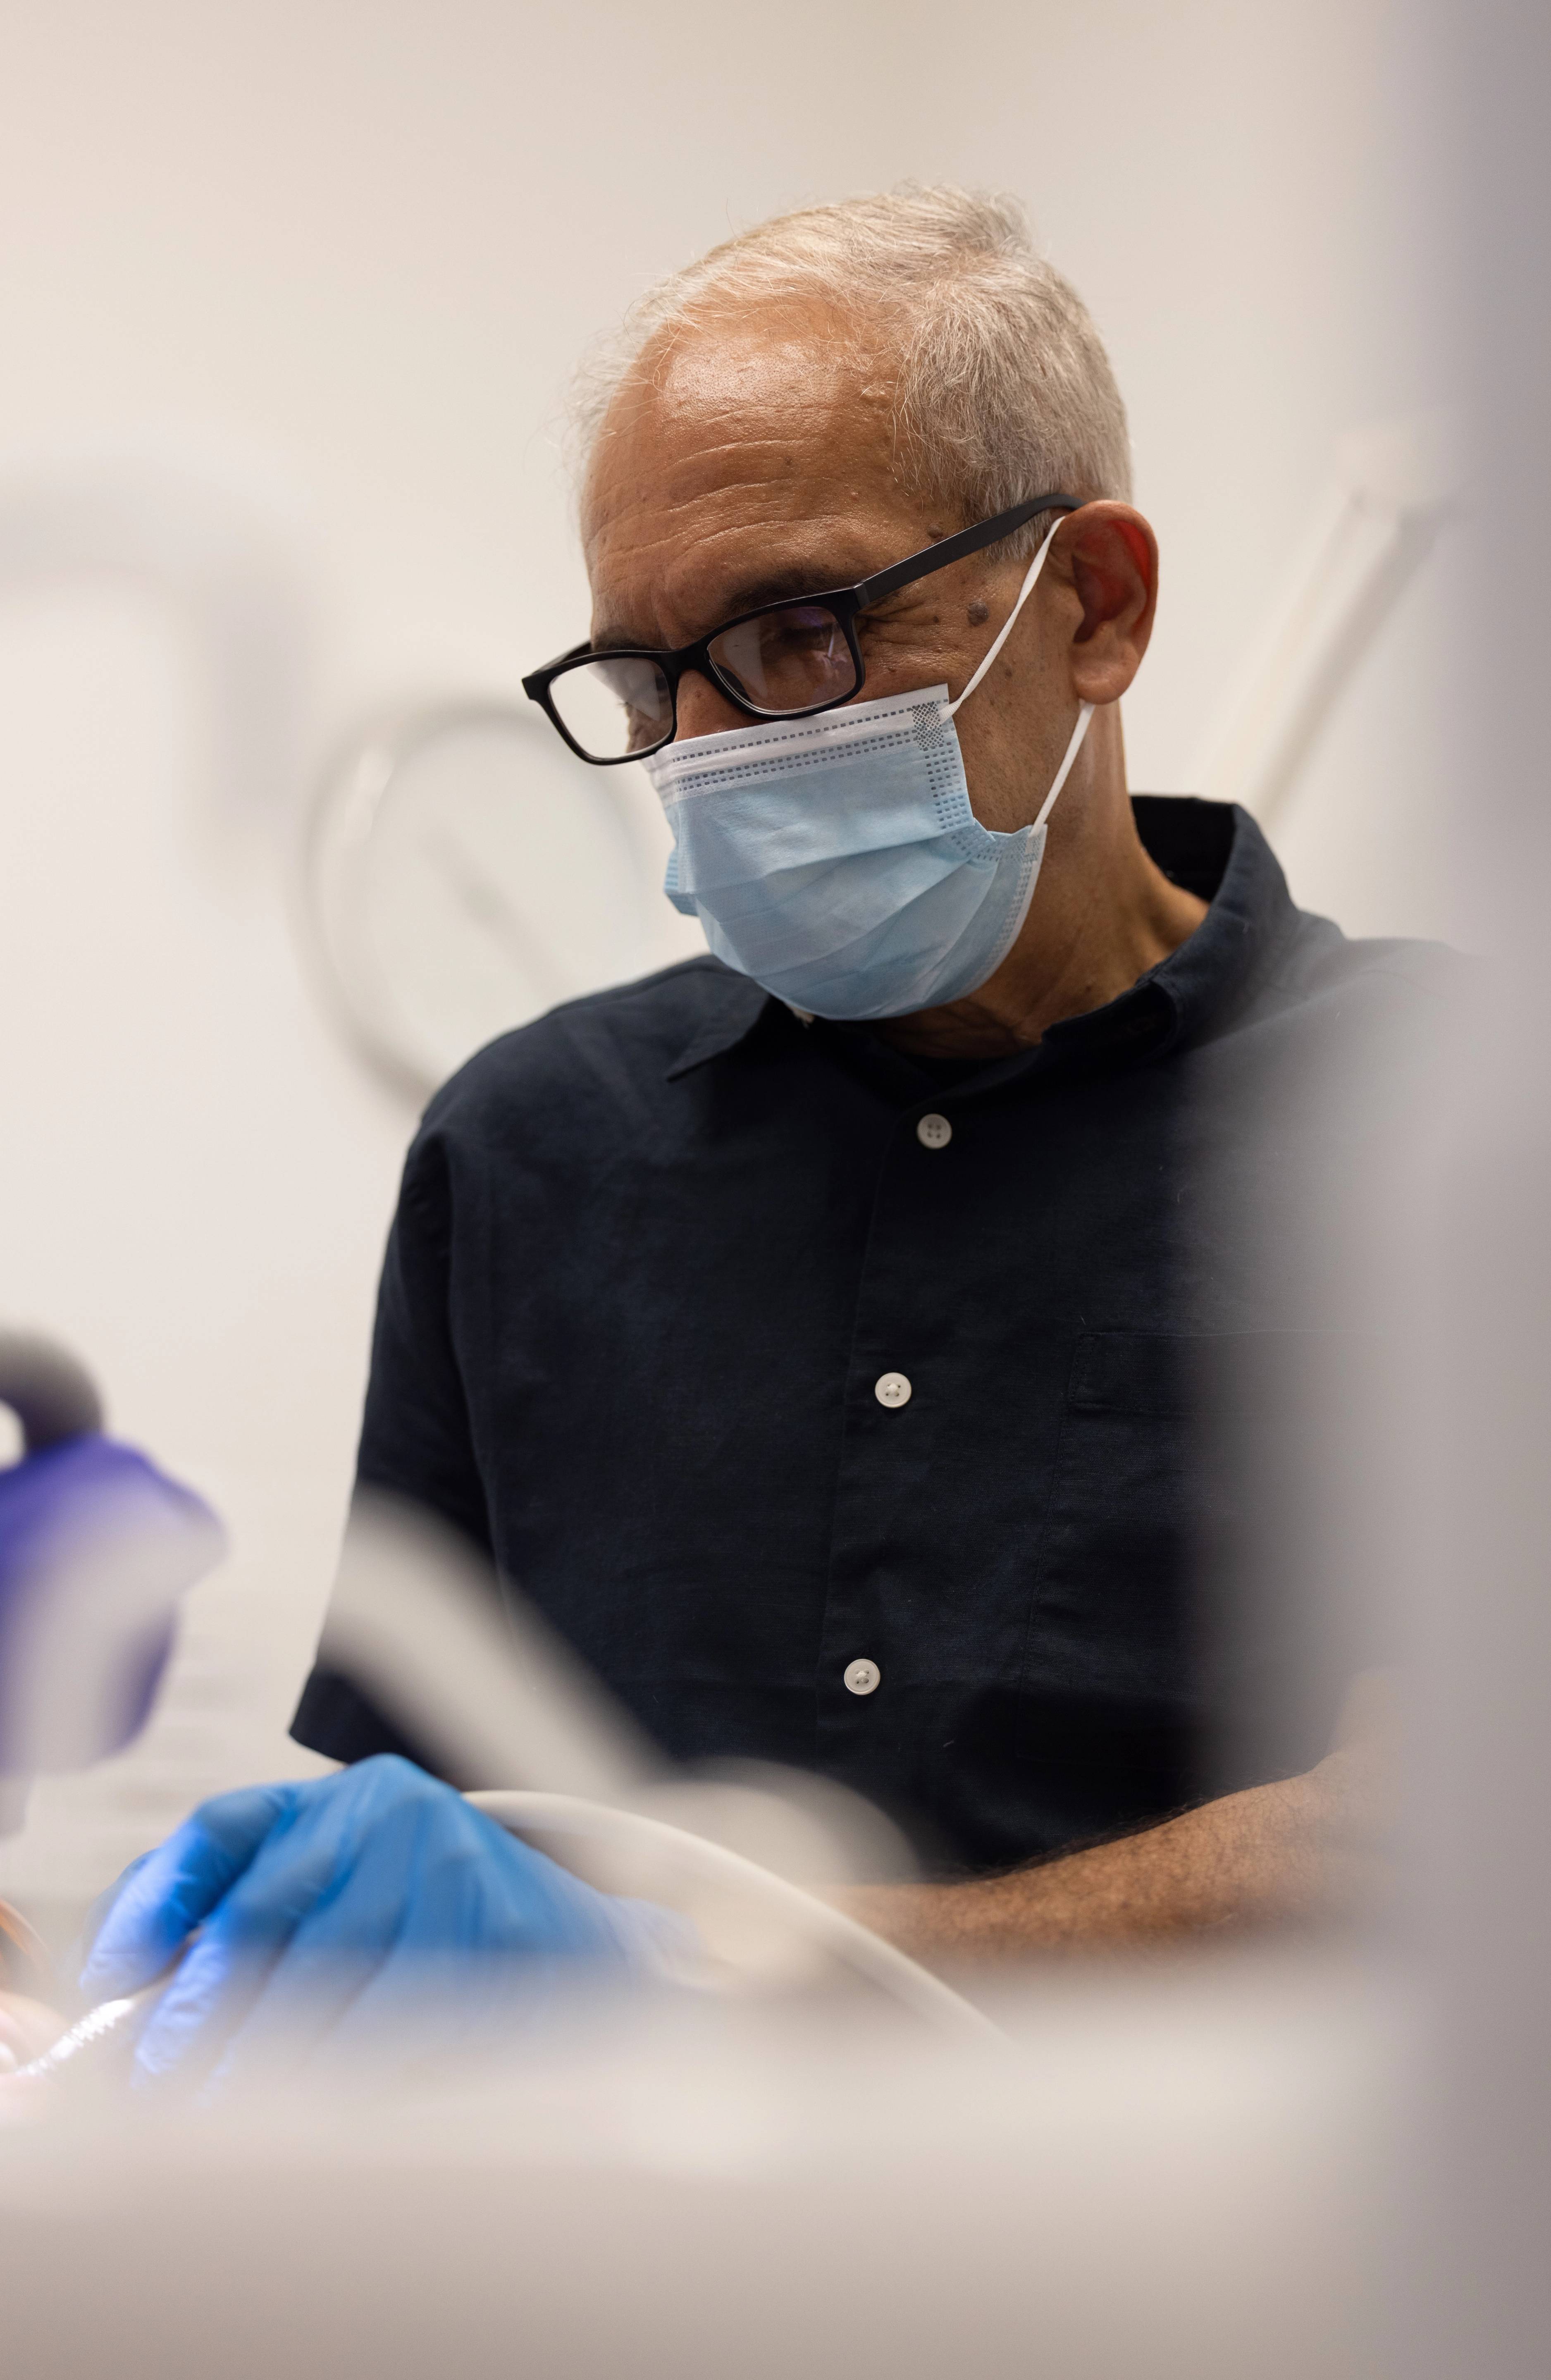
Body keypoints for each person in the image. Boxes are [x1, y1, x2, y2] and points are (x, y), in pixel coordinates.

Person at [88, 187, 1445, 2060]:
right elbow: (426, 1858)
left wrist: (740, 1970)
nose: (714, 750)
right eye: (652, 678)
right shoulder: (530, 1153)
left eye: (798, 635)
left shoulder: (1461, 1133)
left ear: (1096, 606)